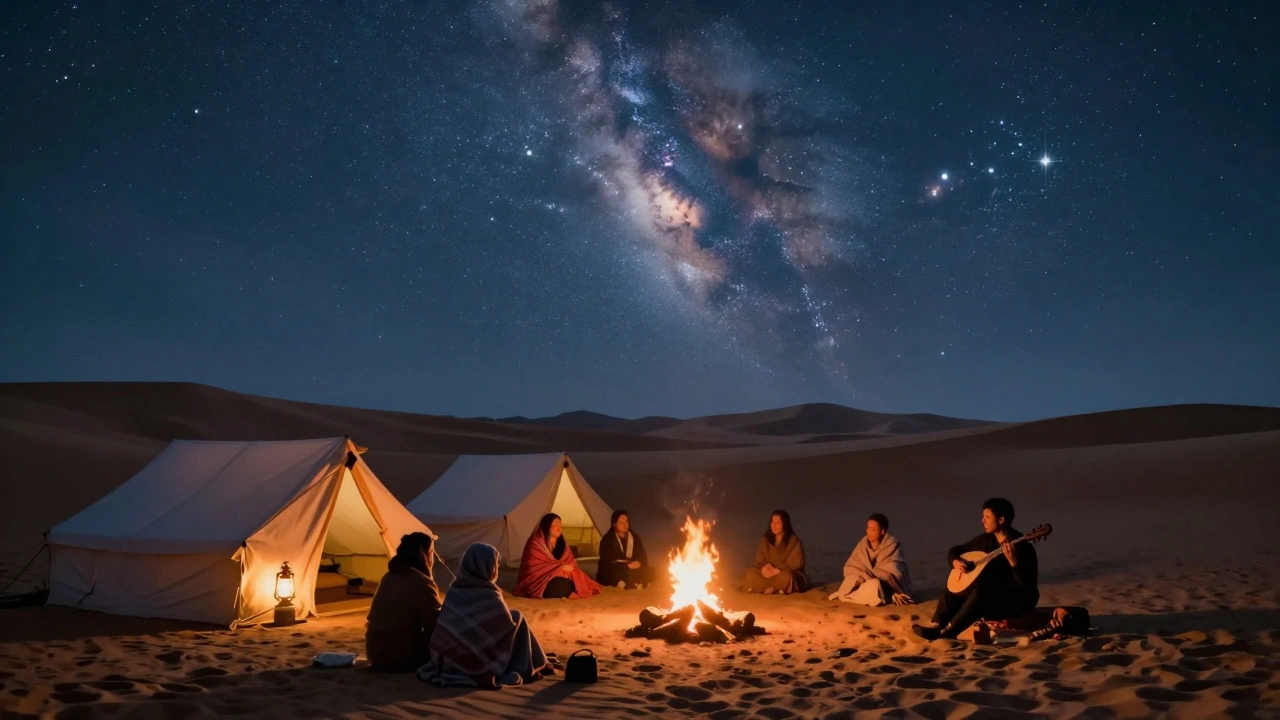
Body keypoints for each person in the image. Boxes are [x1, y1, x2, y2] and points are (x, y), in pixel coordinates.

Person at [418, 543, 553, 688]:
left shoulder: (455, 590)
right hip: (476, 664)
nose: (496, 570)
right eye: (495, 565)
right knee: (517, 618)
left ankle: (536, 659)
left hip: (447, 660)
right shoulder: (489, 595)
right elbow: (505, 630)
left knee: (513, 617)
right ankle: (531, 664)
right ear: (486, 567)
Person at [911, 498, 1040, 641]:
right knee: (951, 590)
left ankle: (949, 631)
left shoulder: (1022, 548)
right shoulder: (985, 540)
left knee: (981, 592)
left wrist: (1014, 563)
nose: (982, 521)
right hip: (987, 596)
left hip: (1013, 601)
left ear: (1001, 520)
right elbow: (956, 550)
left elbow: (1027, 586)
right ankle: (936, 626)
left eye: (987, 517)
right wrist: (955, 561)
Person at [365, 532, 443, 672]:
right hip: (401, 657)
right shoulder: (422, 583)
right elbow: (435, 625)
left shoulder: (387, 577)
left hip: (375, 654)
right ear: (426, 555)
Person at [828, 513, 914, 607]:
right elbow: (852, 566)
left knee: (875, 585)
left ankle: (847, 596)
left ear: (882, 531)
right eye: (868, 528)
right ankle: (845, 595)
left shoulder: (892, 546)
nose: (869, 532)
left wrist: (898, 592)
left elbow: (892, 574)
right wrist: (863, 574)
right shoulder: (863, 544)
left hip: (884, 587)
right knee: (853, 578)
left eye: (873, 530)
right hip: (864, 581)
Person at [513, 513, 602, 599]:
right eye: (555, 525)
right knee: (561, 587)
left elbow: (570, 561)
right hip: (541, 581)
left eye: (560, 525)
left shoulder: (562, 543)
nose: (559, 528)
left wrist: (566, 570)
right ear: (547, 526)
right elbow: (532, 569)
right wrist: (560, 568)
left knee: (575, 580)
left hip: (561, 577)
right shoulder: (535, 544)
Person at [742, 509, 808, 595]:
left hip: (782, 573)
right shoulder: (766, 540)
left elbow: (796, 563)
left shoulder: (794, 541)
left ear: (785, 525)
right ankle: (772, 588)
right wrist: (765, 568)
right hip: (767, 574)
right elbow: (759, 560)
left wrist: (778, 570)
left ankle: (766, 588)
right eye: (772, 522)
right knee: (749, 573)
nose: (774, 526)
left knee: (787, 576)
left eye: (777, 523)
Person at [596, 509, 653, 589]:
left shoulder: (634, 537)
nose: (625, 525)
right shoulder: (607, 539)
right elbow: (606, 559)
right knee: (614, 570)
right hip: (616, 567)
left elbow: (642, 555)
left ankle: (628, 582)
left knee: (650, 570)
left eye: (626, 522)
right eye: (621, 523)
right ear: (614, 524)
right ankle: (632, 582)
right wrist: (626, 565)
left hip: (631, 566)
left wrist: (638, 562)